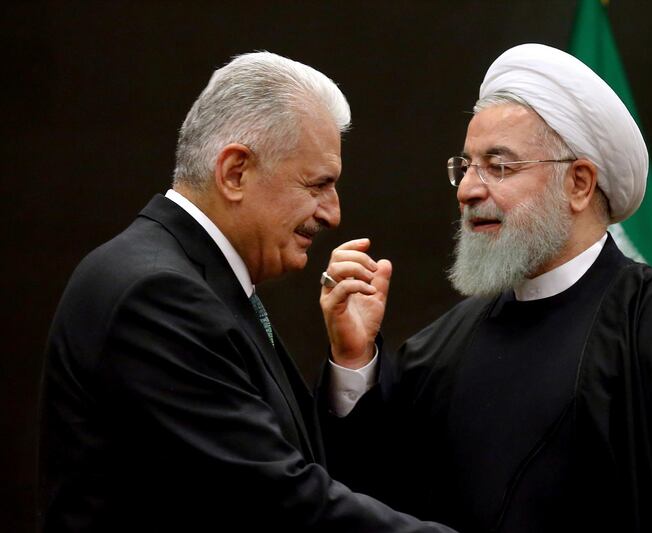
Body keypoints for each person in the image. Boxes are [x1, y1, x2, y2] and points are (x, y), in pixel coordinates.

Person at [319, 44, 652, 532]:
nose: (468, 189)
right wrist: (355, 361)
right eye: (465, 166)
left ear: (579, 183)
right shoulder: (441, 347)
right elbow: (368, 497)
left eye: (499, 166)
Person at [38, 51, 456, 533]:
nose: (333, 213)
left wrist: (350, 359)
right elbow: (275, 499)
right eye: (319, 184)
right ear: (235, 172)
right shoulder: (157, 294)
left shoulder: (199, 281)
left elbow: (291, 466)